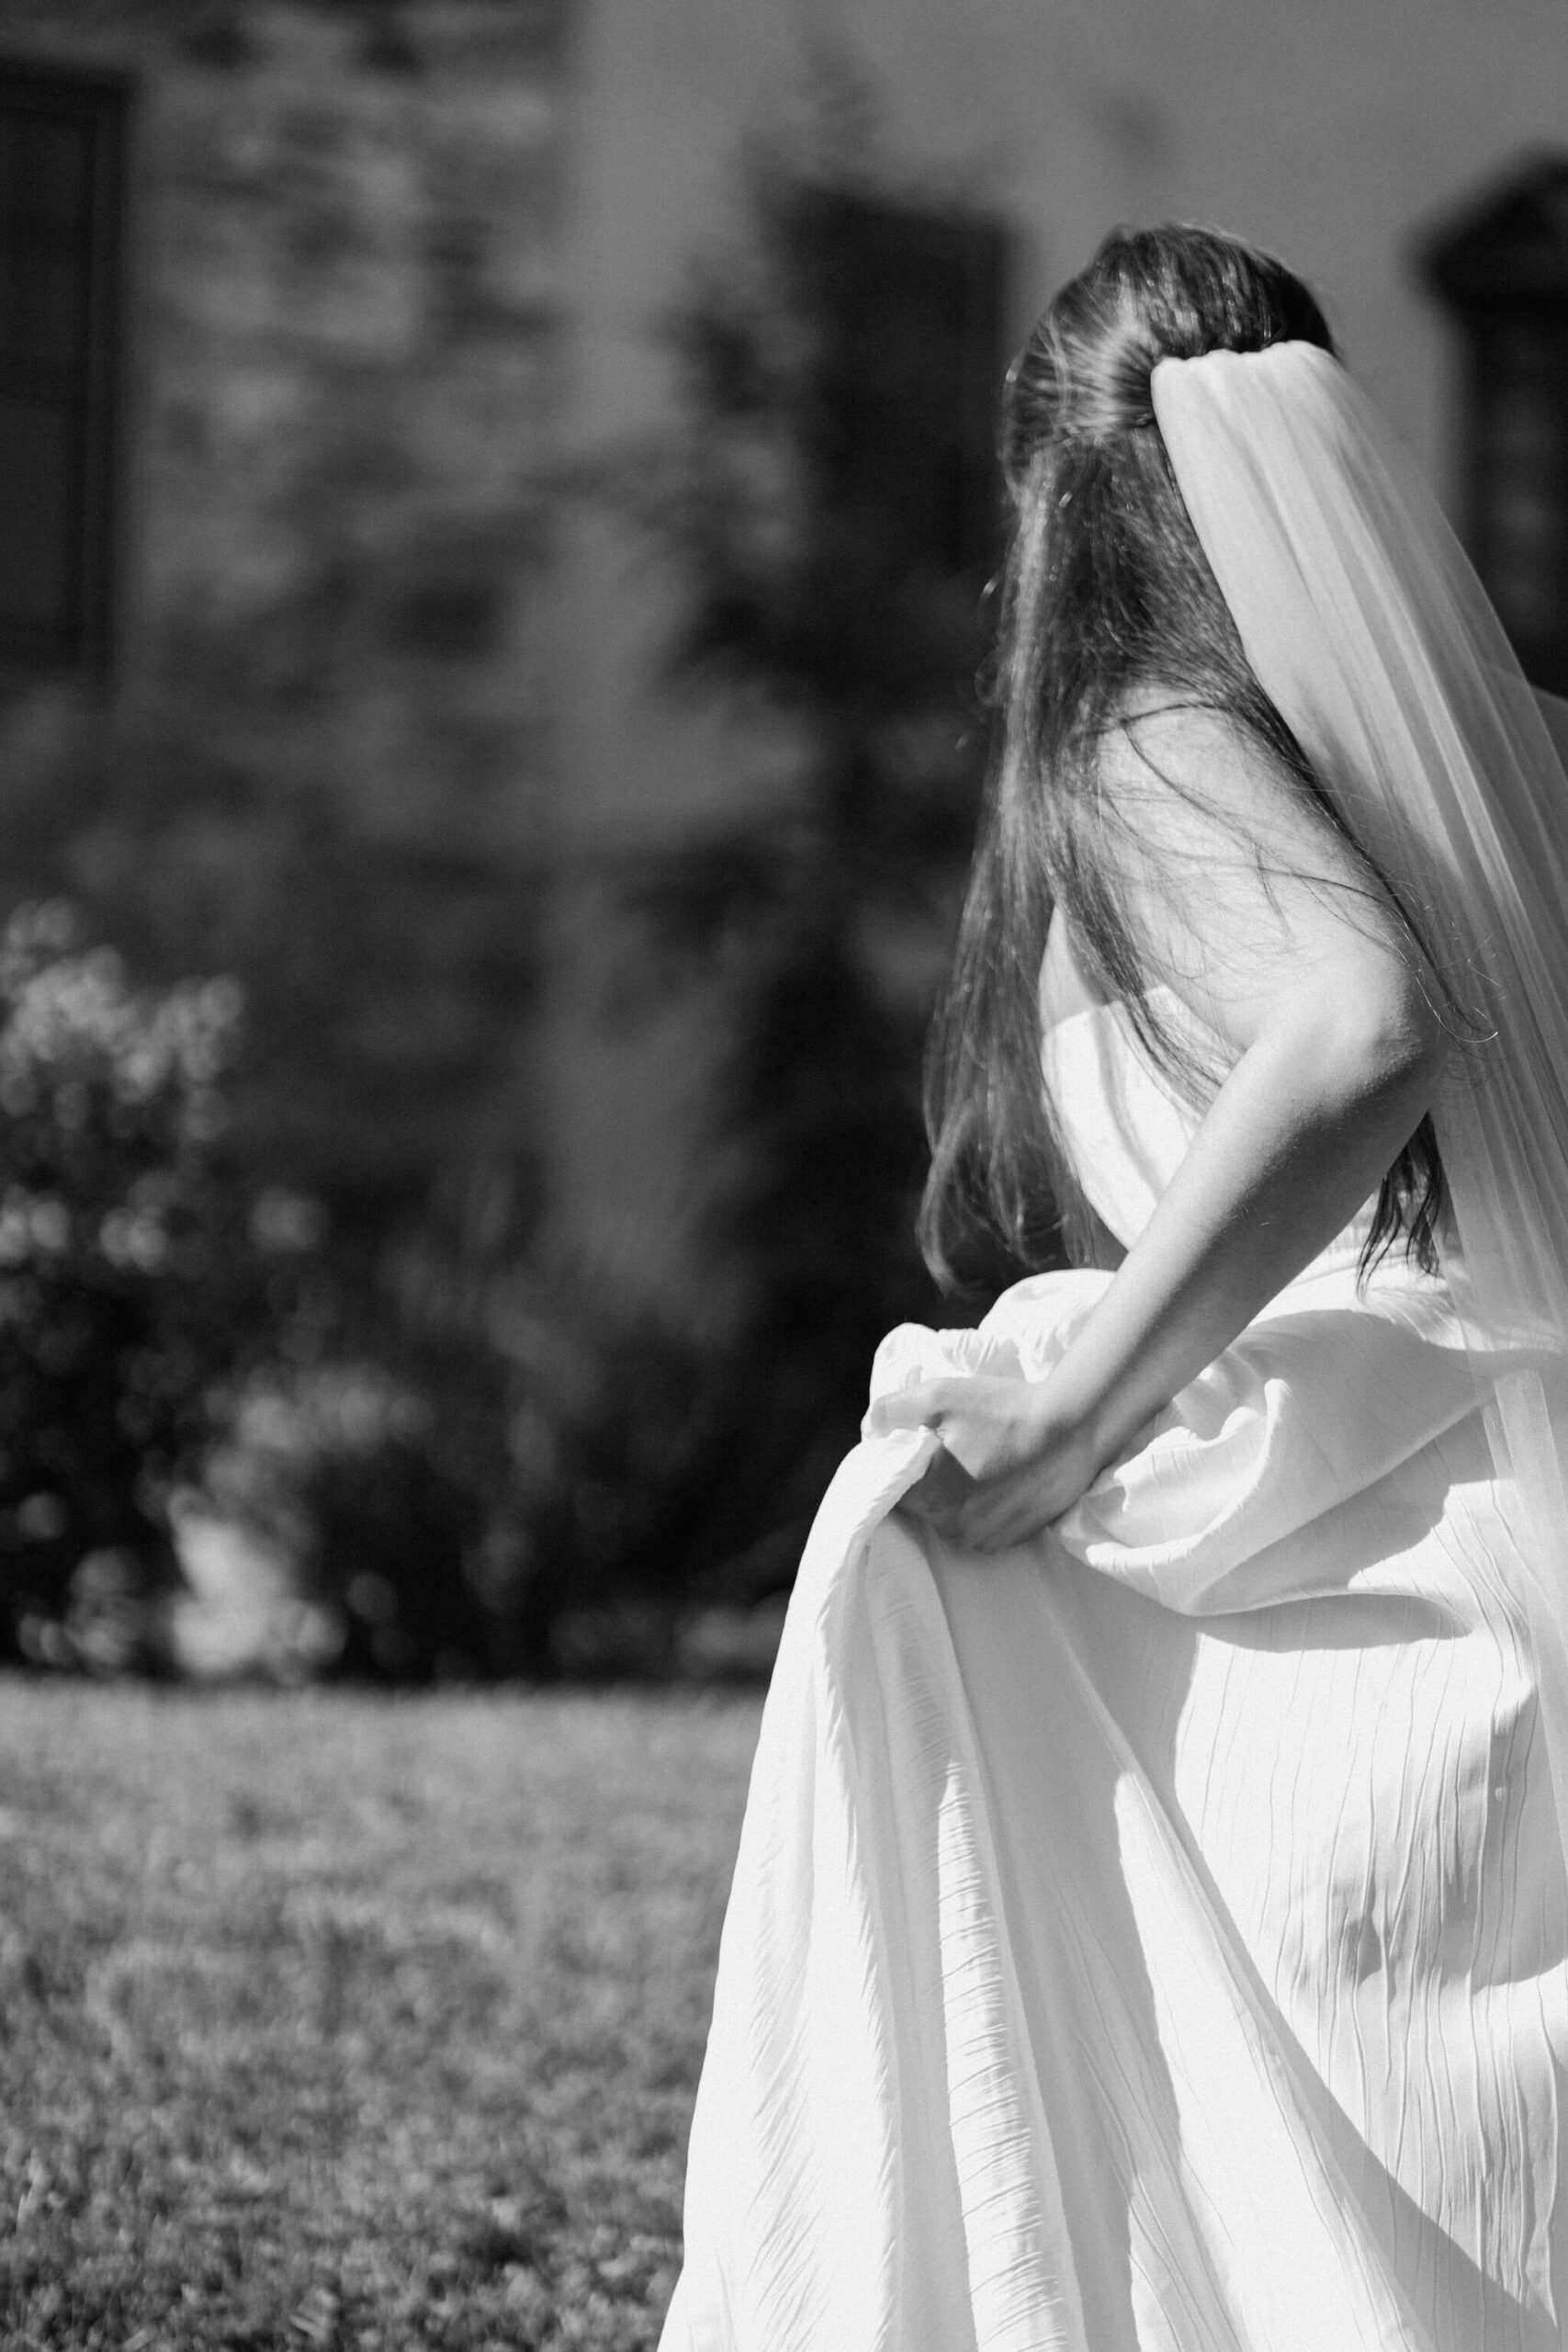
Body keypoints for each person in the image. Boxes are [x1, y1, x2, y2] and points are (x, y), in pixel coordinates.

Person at [659, 226, 1568, 2352]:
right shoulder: (1520, 746)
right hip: (1508, 1584)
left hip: (1330, 1657)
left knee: (907, 1546)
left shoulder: (1145, 737)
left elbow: (1356, 1024)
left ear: (1047, 498)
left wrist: (1070, 1419)